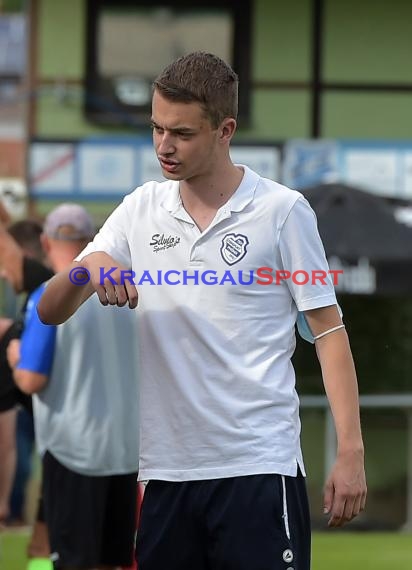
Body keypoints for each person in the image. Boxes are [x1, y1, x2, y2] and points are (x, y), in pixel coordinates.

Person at [38, 52, 367, 570]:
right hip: (167, 474)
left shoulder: (282, 211)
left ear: (225, 129)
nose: (164, 146)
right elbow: (50, 311)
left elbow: (329, 332)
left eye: (182, 133)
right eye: (156, 128)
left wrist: (351, 451)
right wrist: (87, 267)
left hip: (259, 467)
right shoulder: (140, 208)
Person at [9, 203, 140, 570]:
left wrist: (16, 359)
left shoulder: (48, 296)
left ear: (46, 243)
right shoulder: (128, 288)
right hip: (126, 450)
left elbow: (32, 379)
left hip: (73, 451)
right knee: (114, 561)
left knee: (71, 560)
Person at [0, 215, 54, 569]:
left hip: (67, 447)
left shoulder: (43, 287)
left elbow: (31, 380)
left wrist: (18, 358)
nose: (4, 276)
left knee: (50, 543)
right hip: (77, 446)